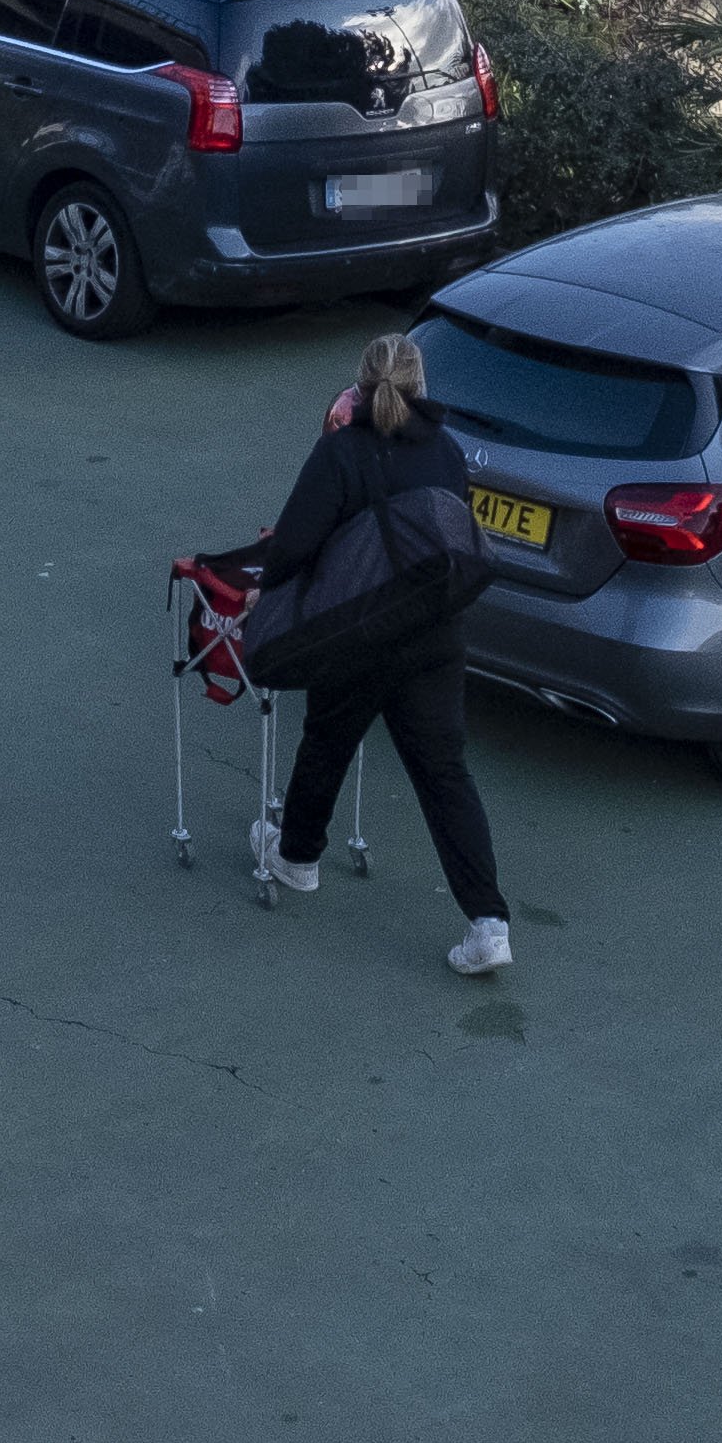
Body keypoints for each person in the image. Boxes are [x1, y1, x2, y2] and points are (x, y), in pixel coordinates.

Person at [215, 331, 516, 977]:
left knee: (327, 740)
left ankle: (297, 860)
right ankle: (488, 922)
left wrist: (263, 598)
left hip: (357, 633)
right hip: (434, 634)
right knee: (444, 774)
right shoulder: (446, 450)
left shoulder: (341, 452)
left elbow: (296, 541)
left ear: (359, 383)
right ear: (420, 384)